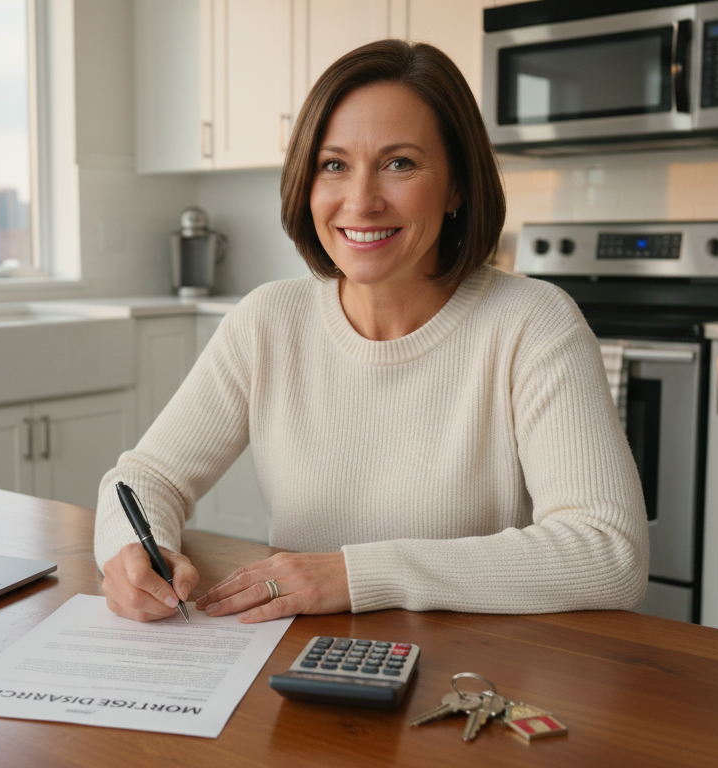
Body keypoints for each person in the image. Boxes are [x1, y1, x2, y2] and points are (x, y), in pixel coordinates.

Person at [95, 39, 649, 624]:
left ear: (457, 185)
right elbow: (145, 478)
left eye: (399, 164)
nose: (360, 201)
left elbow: (609, 553)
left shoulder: (533, 323)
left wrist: (356, 575)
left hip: (466, 672)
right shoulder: (266, 321)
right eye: (334, 165)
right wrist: (133, 552)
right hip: (293, 662)